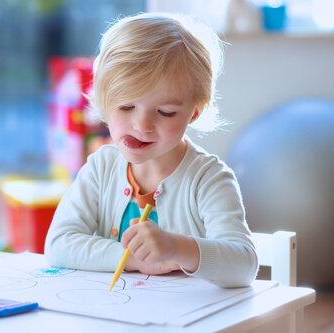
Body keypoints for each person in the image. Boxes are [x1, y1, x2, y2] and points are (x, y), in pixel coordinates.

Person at [44, 12, 258, 288]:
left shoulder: (209, 179)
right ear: (103, 100)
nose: (142, 125)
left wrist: (177, 248)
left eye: (165, 112)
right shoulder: (100, 168)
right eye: (126, 107)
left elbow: (245, 265)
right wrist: (132, 258)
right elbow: (59, 244)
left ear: (193, 113)